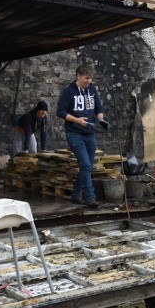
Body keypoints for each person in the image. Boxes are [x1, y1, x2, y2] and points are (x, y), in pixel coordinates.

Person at [56, 65, 108, 208]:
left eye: (90, 78)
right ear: (78, 76)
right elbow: (60, 112)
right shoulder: (69, 92)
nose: (89, 81)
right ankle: (90, 197)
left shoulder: (92, 89)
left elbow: (98, 108)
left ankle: (75, 195)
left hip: (89, 133)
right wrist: (77, 120)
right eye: (86, 78)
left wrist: (101, 119)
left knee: (88, 166)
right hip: (74, 133)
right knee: (85, 164)